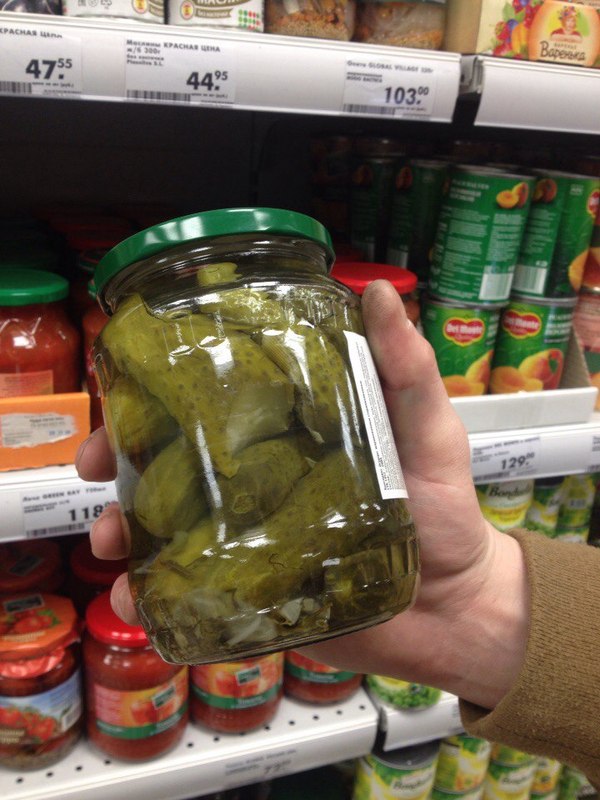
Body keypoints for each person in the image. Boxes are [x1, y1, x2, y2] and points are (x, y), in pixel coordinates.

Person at [77, 280, 600, 782]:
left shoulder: (271, 320)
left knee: (161, 511)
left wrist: (472, 588)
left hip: (265, 557)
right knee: (151, 506)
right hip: (266, 553)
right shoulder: (175, 334)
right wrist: (474, 597)